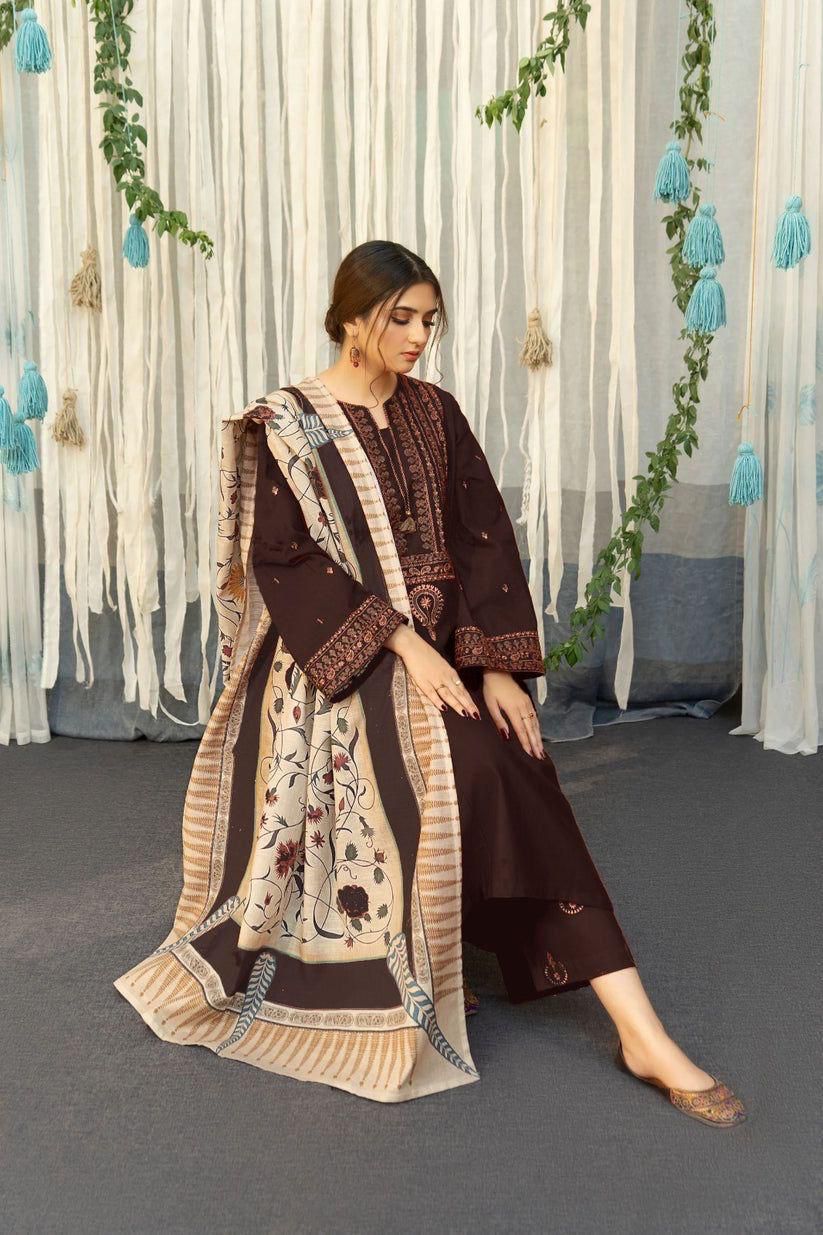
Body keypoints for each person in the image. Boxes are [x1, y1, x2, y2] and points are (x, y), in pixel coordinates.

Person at [114, 241, 745, 1122]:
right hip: (339, 659)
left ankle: (636, 1029)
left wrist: (495, 667)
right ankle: (627, 1025)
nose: (418, 337)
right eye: (400, 318)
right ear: (350, 318)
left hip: (451, 651)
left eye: (429, 320)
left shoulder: (435, 412)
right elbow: (282, 560)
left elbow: (482, 538)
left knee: (517, 757)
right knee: (476, 771)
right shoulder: (287, 422)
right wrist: (403, 643)